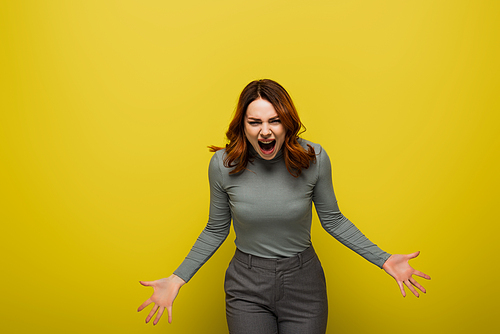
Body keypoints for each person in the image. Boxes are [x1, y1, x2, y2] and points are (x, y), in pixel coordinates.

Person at [137, 79, 430, 333]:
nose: (265, 131)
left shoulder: (314, 158)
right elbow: (215, 229)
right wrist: (178, 278)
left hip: (304, 284)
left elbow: (333, 220)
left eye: (274, 121)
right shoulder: (222, 165)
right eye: (255, 122)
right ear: (243, 125)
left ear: (286, 123)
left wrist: (384, 259)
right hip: (246, 285)